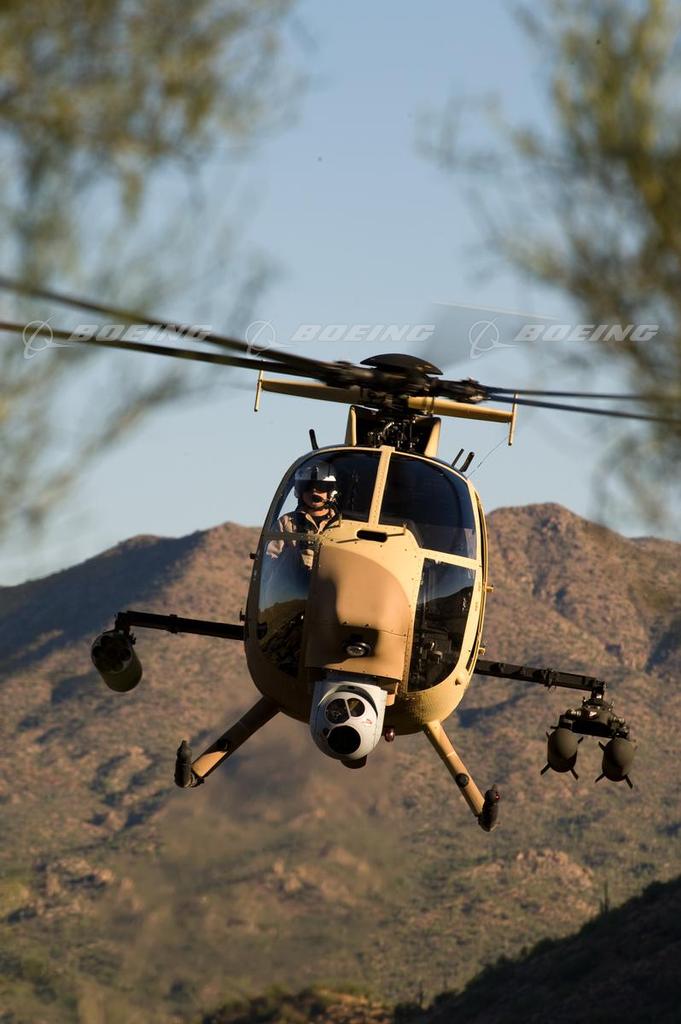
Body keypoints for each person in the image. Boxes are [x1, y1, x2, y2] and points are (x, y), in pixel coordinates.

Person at [266, 461, 340, 569]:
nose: (314, 491)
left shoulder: (341, 524)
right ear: (299, 491)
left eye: (321, 486)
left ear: (331, 492)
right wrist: (294, 558)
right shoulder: (286, 523)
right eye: (307, 486)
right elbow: (269, 563)